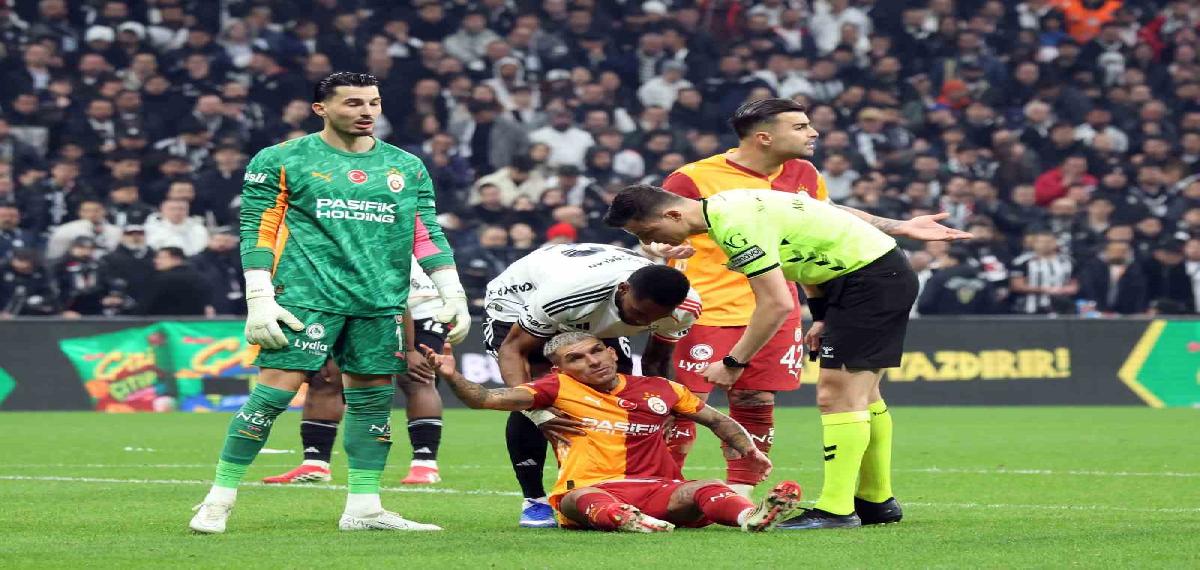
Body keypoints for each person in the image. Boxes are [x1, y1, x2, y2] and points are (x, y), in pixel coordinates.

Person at [188, 72, 469, 535]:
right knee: (271, 397)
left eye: (373, 102)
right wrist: (259, 295)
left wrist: (451, 289)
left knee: (373, 404)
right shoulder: (282, 159)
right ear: (321, 109)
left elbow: (425, 231)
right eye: (353, 103)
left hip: (379, 302)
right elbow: (258, 229)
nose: (366, 111)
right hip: (305, 298)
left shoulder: (405, 166)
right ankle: (219, 499)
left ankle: (364, 508)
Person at [603, 183, 970, 530]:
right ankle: (876, 500)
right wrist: (822, 314)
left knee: (837, 396)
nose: (649, 242)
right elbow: (802, 252)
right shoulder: (730, 207)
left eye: (647, 231)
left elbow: (777, 304)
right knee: (865, 394)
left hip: (866, 281)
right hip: (870, 274)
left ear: (672, 214)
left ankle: (837, 509)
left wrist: (734, 362)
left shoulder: (734, 226)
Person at [423, 331, 803, 533]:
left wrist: (750, 450)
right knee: (578, 499)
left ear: (612, 353)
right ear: (560, 370)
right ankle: (628, 519)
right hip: (593, 488)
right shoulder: (554, 389)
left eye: (595, 352)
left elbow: (718, 420)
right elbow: (485, 399)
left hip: (660, 489)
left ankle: (751, 517)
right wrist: (452, 376)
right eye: (576, 359)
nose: (591, 362)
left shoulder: (661, 388)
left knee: (705, 488)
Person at [653, 98, 828, 495]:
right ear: (764, 137)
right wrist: (658, 249)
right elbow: (654, 232)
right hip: (704, 307)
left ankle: (741, 497)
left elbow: (818, 237)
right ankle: (661, 490)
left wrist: (822, 309)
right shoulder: (692, 178)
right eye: (800, 127)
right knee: (682, 403)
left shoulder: (805, 174)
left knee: (755, 397)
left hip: (774, 307)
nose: (813, 133)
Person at [483, 242, 701, 528]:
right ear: (624, 290)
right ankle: (534, 500)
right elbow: (514, 350)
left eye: (653, 318)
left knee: (616, 391)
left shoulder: (684, 308)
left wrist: (667, 408)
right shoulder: (566, 295)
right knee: (539, 394)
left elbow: (656, 362)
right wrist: (536, 412)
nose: (642, 322)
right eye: (638, 313)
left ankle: (612, 488)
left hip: (594, 306)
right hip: (522, 298)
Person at [262, 259, 450, 485]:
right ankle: (315, 463)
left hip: (420, 304)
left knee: (415, 376)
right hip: (356, 301)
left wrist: (408, 349)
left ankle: (425, 464)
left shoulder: (364, 249)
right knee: (324, 377)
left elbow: (397, 300)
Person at [141, 246, 210, 315]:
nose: (156, 261)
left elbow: (146, 304)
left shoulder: (162, 279)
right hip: (194, 320)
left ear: (177, 259)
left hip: (163, 320)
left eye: (161, 258)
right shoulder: (199, 277)